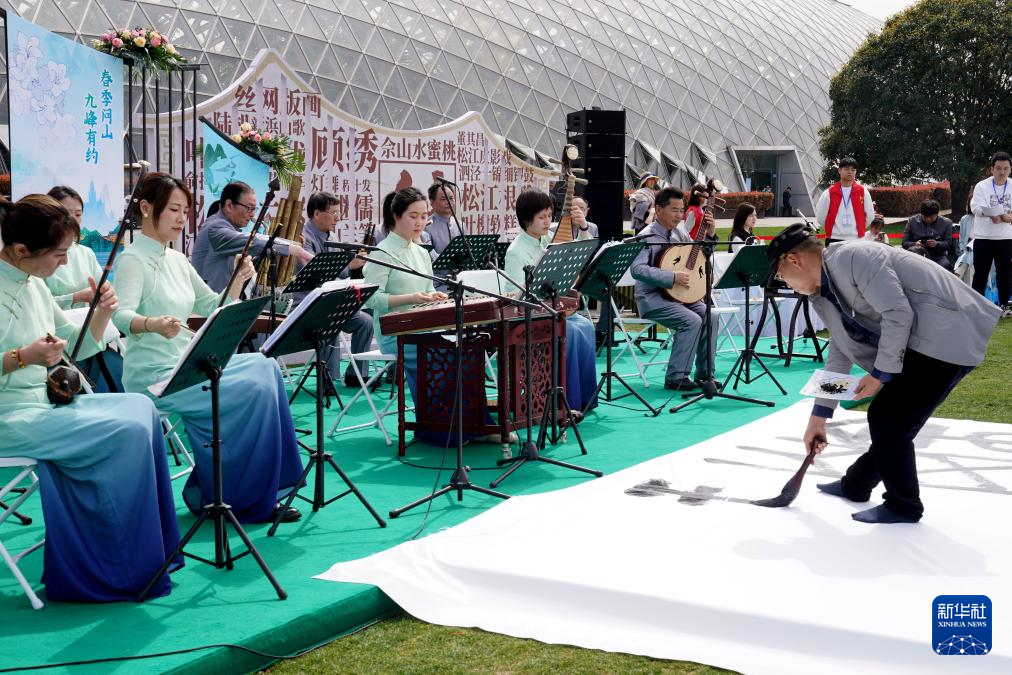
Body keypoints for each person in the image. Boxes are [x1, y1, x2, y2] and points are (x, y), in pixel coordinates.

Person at [0, 194, 180, 601]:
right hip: (10, 416)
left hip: (42, 404)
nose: (65, 262)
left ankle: (153, 553)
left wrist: (102, 312)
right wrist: (22, 357)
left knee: (141, 409)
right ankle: (115, 565)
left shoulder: (33, 283)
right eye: (58, 254)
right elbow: (25, 356)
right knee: (125, 431)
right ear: (22, 250)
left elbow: (77, 346)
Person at [767, 224, 1000, 523]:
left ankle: (904, 506)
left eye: (781, 275)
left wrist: (879, 375)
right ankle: (856, 484)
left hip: (949, 333)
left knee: (888, 419)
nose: (785, 283)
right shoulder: (822, 292)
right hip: (925, 340)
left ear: (794, 260)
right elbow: (839, 351)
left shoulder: (854, 257)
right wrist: (818, 418)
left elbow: (897, 313)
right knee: (895, 422)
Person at [112, 173, 303, 524]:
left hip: (188, 363)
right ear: (146, 208)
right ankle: (242, 497)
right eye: (173, 210)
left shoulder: (176, 259)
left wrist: (239, 280)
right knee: (251, 388)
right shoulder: (132, 259)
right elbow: (121, 316)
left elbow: (213, 304)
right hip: (156, 375)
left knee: (265, 367)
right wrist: (152, 323)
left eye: (185, 211)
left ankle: (261, 487)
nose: (181, 218)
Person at [505, 189, 598, 412]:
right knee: (571, 331)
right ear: (526, 219)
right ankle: (566, 402)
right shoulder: (515, 251)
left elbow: (582, 252)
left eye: (549, 215)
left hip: (554, 310)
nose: (548, 221)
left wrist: (583, 226)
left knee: (586, 326)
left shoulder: (548, 239)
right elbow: (515, 296)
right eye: (541, 217)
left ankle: (585, 399)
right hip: (532, 316)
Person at [630, 187, 717, 391]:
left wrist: (711, 235)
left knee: (711, 316)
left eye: (682, 210)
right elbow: (637, 269)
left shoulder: (680, 232)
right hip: (653, 298)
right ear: (659, 209)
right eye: (674, 210)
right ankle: (676, 377)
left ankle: (705, 375)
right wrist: (672, 277)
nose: (679, 215)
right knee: (692, 320)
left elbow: (698, 255)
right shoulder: (646, 236)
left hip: (680, 296)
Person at [44, 185, 123, 392]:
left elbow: (101, 286)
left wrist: (104, 294)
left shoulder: (86, 253)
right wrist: (77, 296)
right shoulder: (41, 255)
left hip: (89, 334)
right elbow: (39, 302)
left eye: (77, 214)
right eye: (66, 213)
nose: (72, 220)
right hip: (57, 343)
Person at [296, 191, 373, 388]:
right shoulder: (302, 238)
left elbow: (340, 275)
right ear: (317, 214)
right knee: (330, 323)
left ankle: (356, 375)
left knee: (365, 322)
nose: (338, 218)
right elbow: (314, 272)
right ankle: (328, 380)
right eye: (334, 213)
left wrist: (353, 265)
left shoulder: (331, 236)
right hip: (307, 303)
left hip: (331, 300)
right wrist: (349, 265)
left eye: (339, 213)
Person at [190, 181, 312, 292]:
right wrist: (293, 248)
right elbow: (252, 241)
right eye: (249, 208)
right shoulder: (215, 227)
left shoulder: (226, 228)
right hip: (210, 306)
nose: (252, 214)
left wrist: (291, 246)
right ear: (229, 205)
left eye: (254, 209)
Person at [969, 151, 1012, 313]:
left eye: (1006, 168)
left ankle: (1005, 306)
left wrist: (1007, 217)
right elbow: (976, 207)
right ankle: (977, 307)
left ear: (1010, 169)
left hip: (1006, 237)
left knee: (1005, 274)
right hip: (984, 237)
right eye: (998, 168)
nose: (1002, 172)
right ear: (992, 169)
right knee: (980, 274)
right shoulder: (982, 186)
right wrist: (994, 214)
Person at [815, 157, 875, 242]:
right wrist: (833, 229)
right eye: (846, 169)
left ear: (856, 172)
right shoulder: (829, 192)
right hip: (834, 238)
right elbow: (821, 216)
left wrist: (860, 227)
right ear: (839, 170)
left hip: (857, 238)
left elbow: (870, 215)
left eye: (853, 170)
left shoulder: (863, 191)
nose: (850, 172)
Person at [902, 199, 953, 270]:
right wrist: (914, 244)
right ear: (921, 214)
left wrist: (937, 244)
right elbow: (904, 242)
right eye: (925, 217)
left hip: (938, 257)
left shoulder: (946, 223)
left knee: (945, 266)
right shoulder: (912, 221)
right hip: (916, 255)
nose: (928, 219)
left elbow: (948, 243)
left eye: (931, 217)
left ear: (937, 214)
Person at [426, 182, 464, 256]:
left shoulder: (461, 225)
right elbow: (428, 255)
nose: (448, 202)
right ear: (432, 202)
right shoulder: (427, 225)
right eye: (443, 199)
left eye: (451, 198)